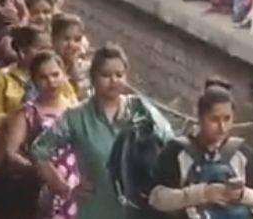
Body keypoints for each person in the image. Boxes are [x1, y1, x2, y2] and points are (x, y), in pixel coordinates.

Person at [32, 43, 173, 219]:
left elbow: (171, 143)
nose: (114, 81)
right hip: (97, 209)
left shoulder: (141, 109)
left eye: (119, 75)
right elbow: (39, 151)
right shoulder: (76, 117)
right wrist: (64, 188)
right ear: (93, 77)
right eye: (106, 75)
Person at [150, 79, 253, 218]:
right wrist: (202, 194)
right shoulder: (176, 152)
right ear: (201, 118)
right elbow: (156, 198)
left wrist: (242, 194)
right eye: (214, 120)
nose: (222, 127)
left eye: (227, 119)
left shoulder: (241, 153)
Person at [0, 50, 78, 219]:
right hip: (42, 188)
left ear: (64, 75)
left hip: (78, 186)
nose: (51, 82)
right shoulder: (27, 113)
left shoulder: (76, 110)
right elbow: (11, 153)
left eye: (55, 75)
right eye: (44, 77)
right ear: (34, 81)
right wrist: (41, 171)